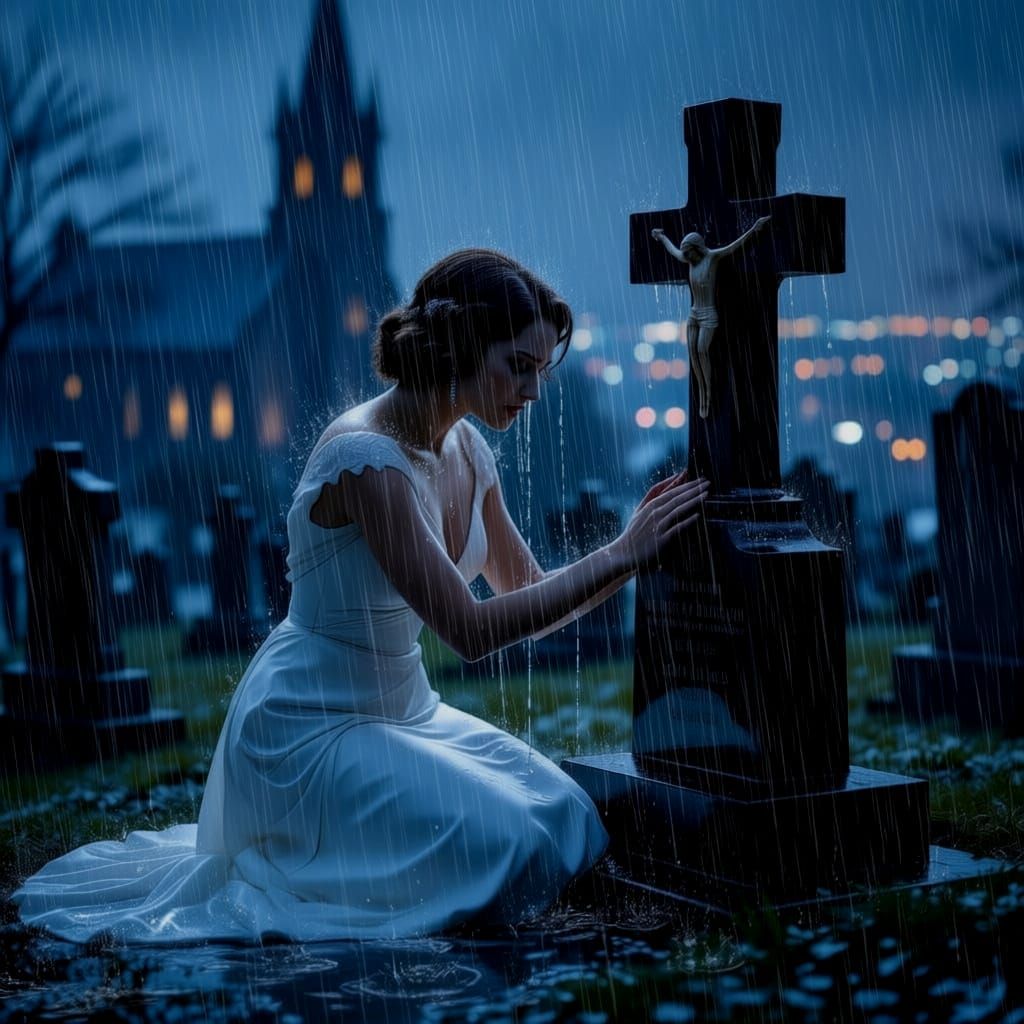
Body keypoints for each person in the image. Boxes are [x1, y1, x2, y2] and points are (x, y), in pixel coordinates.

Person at [13, 248, 710, 945]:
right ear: (461, 346)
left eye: (539, 370)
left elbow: (528, 590)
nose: (531, 391)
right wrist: (621, 553)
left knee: (565, 815)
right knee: (513, 847)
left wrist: (635, 553)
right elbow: (468, 631)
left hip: (406, 709)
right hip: (310, 727)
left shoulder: (467, 447)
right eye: (517, 366)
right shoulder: (365, 460)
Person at [651, 217, 771, 419]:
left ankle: (708, 394)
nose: (686, 256)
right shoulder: (689, 259)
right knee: (692, 353)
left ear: (697, 248)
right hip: (694, 313)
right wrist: (661, 237)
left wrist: (754, 229)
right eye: (685, 253)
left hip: (708, 315)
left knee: (701, 350)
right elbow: (673, 250)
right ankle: (702, 392)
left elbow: (734, 246)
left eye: (689, 252)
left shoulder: (712, 258)